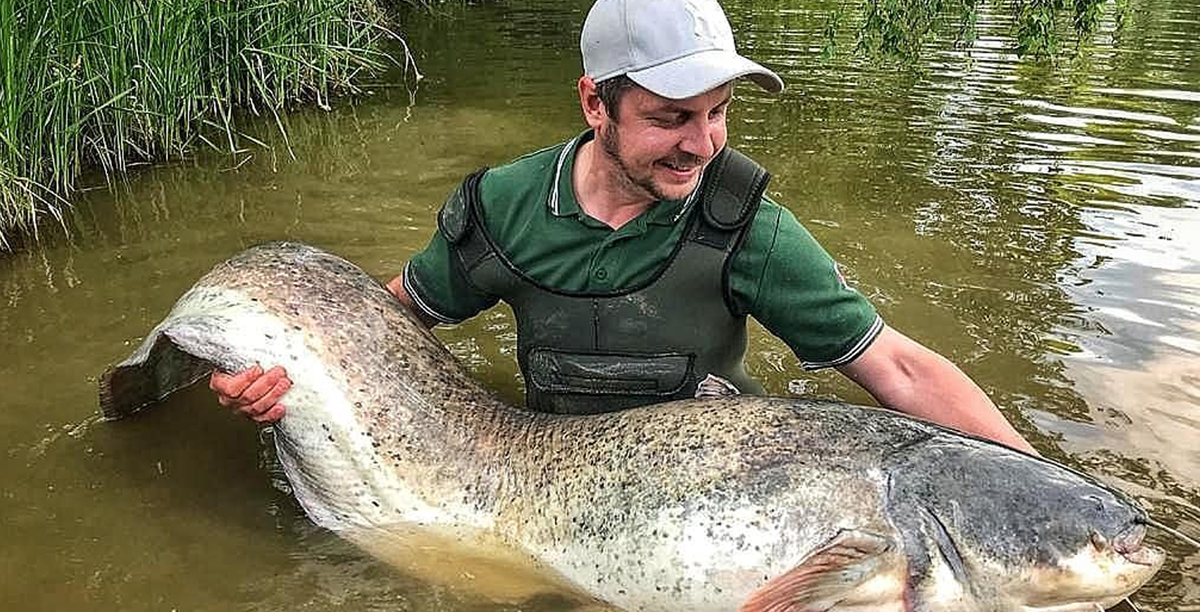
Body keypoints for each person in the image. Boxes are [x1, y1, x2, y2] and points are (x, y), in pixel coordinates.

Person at [212, 0, 1035, 455]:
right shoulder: (502, 207)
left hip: (709, 471)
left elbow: (896, 365)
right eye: (670, 116)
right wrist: (281, 374)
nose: (702, 145)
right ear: (593, 102)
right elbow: (386, 323)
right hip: (541, 469)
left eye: (719, 113)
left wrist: (1035, 485)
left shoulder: (747, 224)